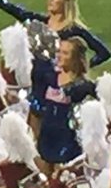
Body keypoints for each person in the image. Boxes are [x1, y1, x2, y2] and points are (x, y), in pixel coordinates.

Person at [31, 36, 97, 164]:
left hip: (67, 145)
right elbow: (36, 109)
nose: (59, 56)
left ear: (76, 58)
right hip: (45, 140)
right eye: (59, 51)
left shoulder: (84, 87)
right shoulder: (49, 77)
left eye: (65, 53)